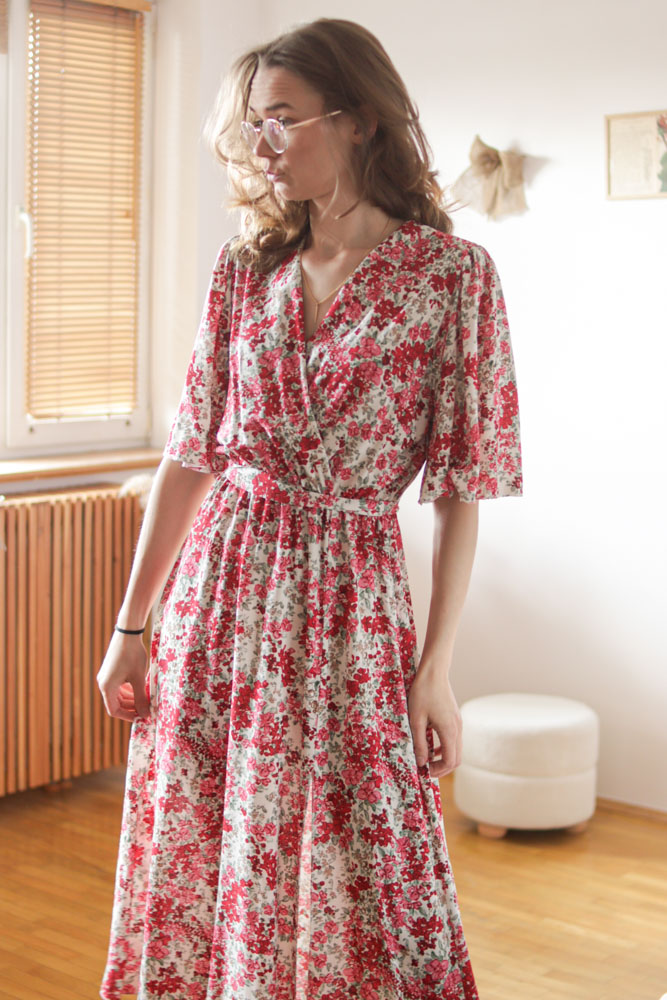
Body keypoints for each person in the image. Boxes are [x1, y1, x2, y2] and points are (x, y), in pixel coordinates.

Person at [96, 17, 522, 1000]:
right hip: (217, 598)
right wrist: (132, 627)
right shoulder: (244, 269)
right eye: (252, 121)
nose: (261, 142)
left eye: (281, 118)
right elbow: (189, 455)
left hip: (352, 612)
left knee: (365, 849)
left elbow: (461, 490)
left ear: (358, 118)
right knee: (205, 836)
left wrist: (436, 669)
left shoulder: (452, 278)